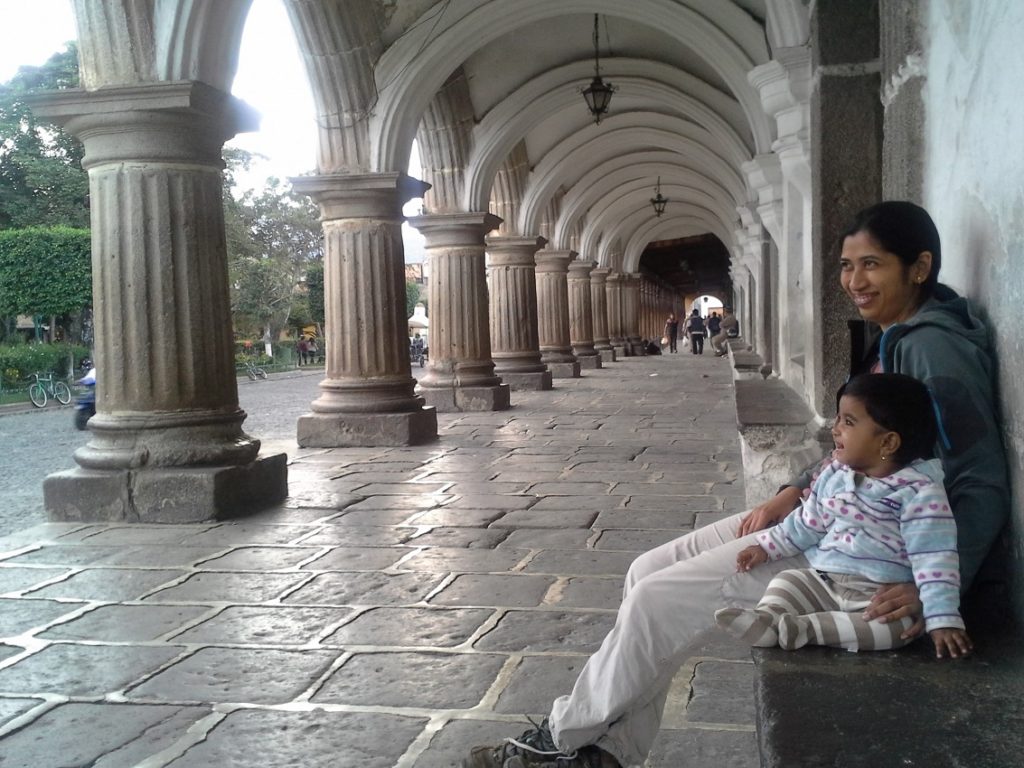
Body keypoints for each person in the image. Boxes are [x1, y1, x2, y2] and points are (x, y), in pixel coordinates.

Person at [460, 201, 1009, 768]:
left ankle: (563, 743)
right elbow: (857, 445)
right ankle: (605, 750)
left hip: (858, 562)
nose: (854, 281)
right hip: (824, 516)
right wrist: (794, 488)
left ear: (918, 267)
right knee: (645, 571)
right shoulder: (899, 334)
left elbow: (981, 476)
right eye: (847, 265)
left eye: (872, 264)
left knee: (655, 598)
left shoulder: (930, 346)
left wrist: (937, 585)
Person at [715, 373, 970, 657]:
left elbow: (935, 559)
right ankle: (767, 617)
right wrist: (765, 547)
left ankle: (801, 629)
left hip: (877, 595)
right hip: (824, 580)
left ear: (888, 443)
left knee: (896, 630)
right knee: (786, 581)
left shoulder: (918, 493)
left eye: (848, 422)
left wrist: (942, 618)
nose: (835, 429)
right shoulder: (835, 475)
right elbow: (804, 524)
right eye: (838, 419)